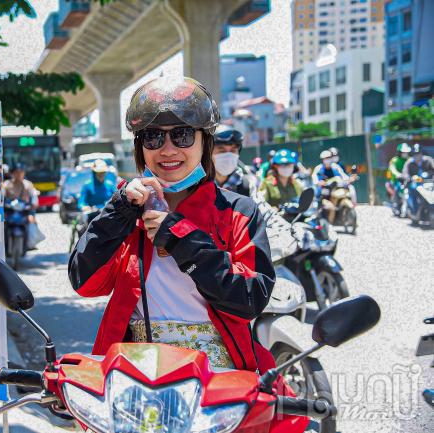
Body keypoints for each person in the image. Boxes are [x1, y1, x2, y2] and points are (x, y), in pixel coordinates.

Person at [68, 77, 304, 427]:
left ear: (204, 142)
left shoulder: (239, 211)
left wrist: (179, 238)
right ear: (140, 146)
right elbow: (84, 281)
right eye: (153, 136)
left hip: (218, 380)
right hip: (134, 379)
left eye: (182, 134)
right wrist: (118, 210)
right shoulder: (124, 213)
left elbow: (249, 298)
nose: (167, 149)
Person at [212, 125, 257, 197]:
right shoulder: (197, 187)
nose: (228, 156)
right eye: (222, 151)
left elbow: (260, 206)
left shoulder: (247, 186)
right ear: (208, 154)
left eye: (233, 150)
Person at [403, 144, 434, 218]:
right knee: (413, 191)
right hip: (415, 184)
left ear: (421, 153)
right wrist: (409, 178)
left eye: (418, 154)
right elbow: (405, 173)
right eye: (415, 154)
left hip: (427, 184)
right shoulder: (409, 162)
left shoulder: (428, 160)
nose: (417, 156)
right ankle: (415, 211)